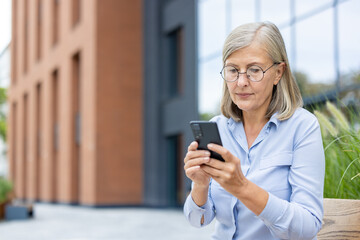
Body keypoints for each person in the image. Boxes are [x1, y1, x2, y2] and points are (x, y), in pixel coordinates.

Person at [183, 22, 325, 240]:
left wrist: (242, 188)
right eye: (233, 70)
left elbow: (306, 228)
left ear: (278, 72)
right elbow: (197, 220)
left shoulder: (303, 127)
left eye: (254, 70)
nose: (241, 82)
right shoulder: (219, 128)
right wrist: (200, 184)